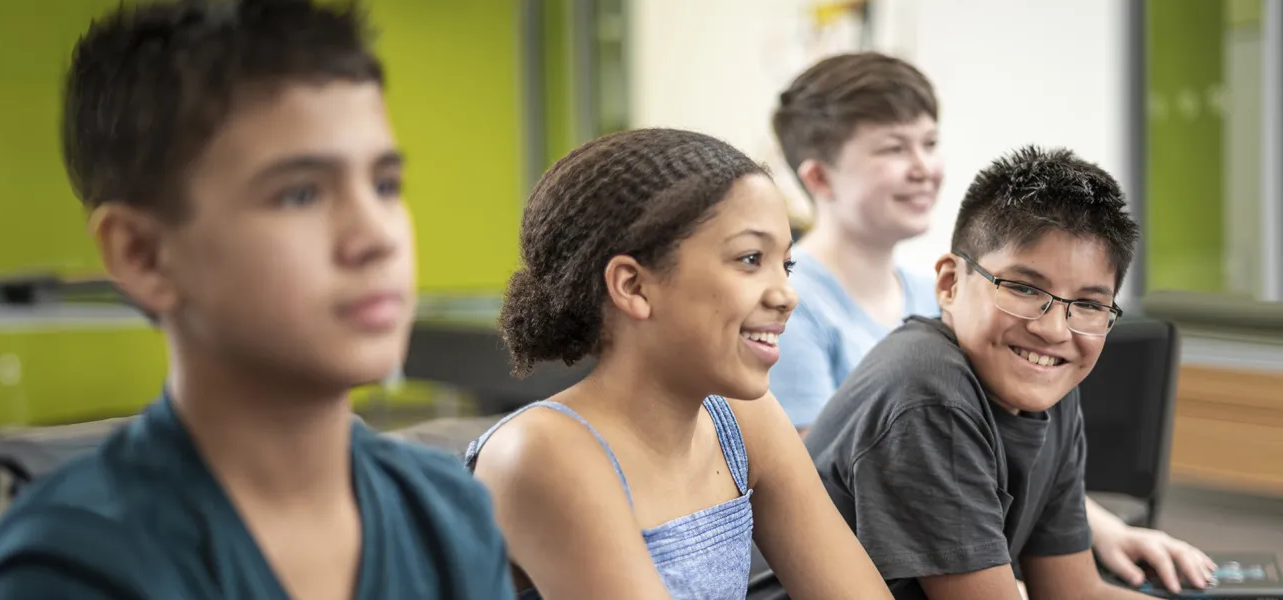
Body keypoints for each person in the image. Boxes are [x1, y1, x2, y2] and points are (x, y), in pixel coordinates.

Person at [0, 2, 513, 598]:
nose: (376, 236)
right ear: (143, 255)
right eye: (300, 194)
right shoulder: (72, 568)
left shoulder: (448, 518)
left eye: (384, 185)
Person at [768, 52, 1214, 594]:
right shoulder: (881, 355)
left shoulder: (1031, 368)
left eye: (929, 144)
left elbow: (1073, 592)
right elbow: (794, 483)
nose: (1052, 329)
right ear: (950, 286)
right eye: (1024, 290)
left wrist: (1102, 528)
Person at [465, 128, 893, 599]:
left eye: (785, 265)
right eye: (750, 259)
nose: (787, 295)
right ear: (633, 286)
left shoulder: (745, 419)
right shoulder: (541, 451)